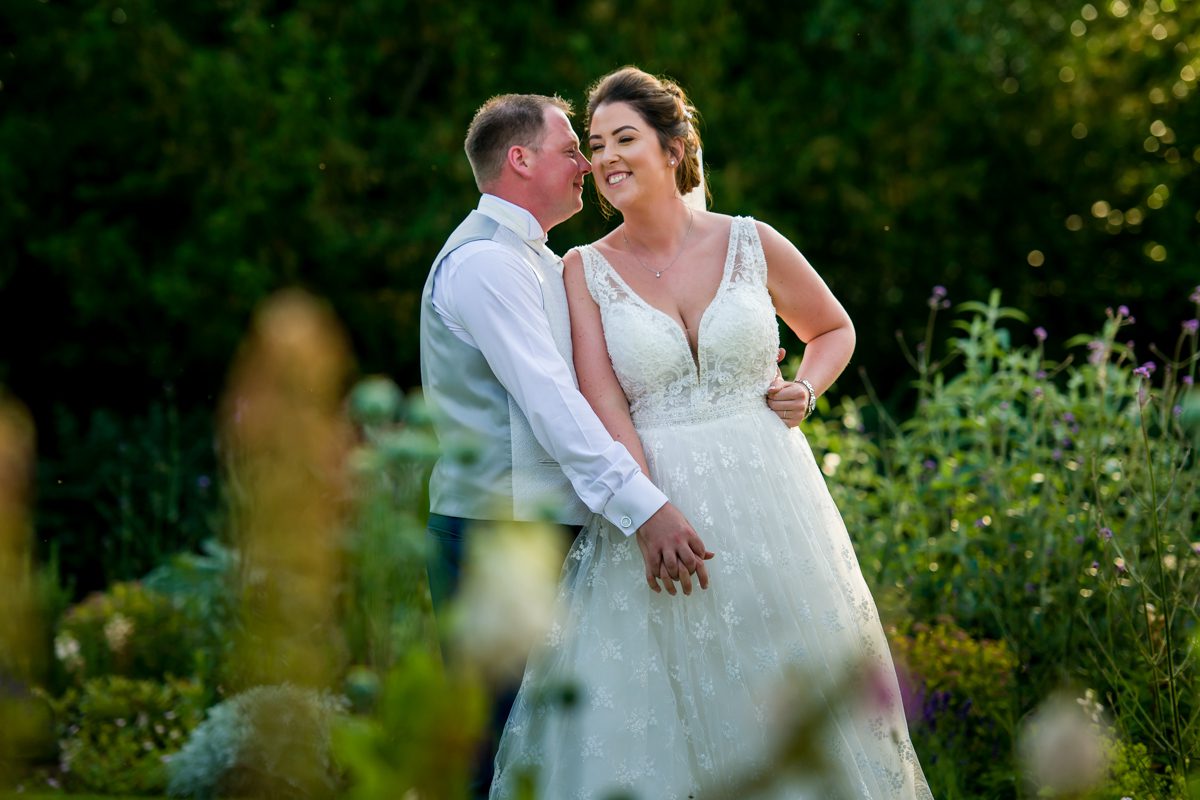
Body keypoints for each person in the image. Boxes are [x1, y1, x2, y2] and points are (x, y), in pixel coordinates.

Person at [490, 68, 933, 799]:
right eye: (596, 145)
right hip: (661, 507)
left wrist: (804, 388)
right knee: (661, 719)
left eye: (624, 138)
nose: (606, 158)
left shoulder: (751, 242)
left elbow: (831, 329)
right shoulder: (583, 269)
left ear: (675, 147)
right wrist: (648, 517)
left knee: (788, 691)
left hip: (774, 505)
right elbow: (606, 408)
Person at [419, 93, 718, 797]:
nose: (588, 162)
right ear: (519, 160)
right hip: (496, 536)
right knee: (491, 752)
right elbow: (553, 404)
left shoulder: (544, 263)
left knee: (545, 750)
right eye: (570, 149)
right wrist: (645, 508)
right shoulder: (486, 265)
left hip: (545, 531)